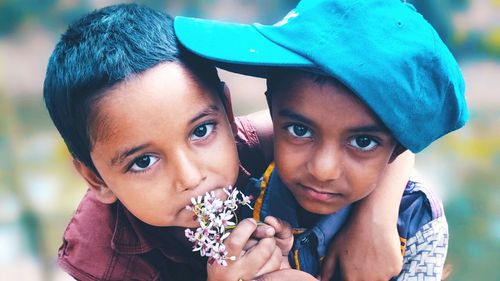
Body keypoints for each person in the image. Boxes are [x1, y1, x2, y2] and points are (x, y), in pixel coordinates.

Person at [44, 3, 413, 281]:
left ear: (228, 113)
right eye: (143, 162)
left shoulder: (252, 142)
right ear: (96, 179)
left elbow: (377, 130)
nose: (190, 177)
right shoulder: (99, 259)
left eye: (201, 131)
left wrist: (374, 221)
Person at [174, 0, 469, 280]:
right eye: (299, 130)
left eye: (363, 141)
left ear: (398, 148)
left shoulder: (417, 220)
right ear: (272, 112)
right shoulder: (231, 194)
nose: (322, 170)